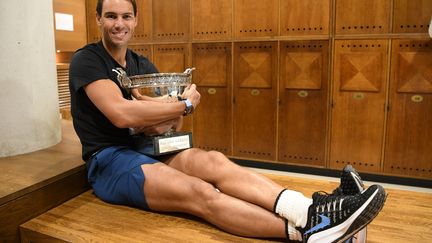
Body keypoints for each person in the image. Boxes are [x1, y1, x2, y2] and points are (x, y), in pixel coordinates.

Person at [69, 0, 386, 242]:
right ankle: (312, 232)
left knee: (214, 162)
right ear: (98, 19)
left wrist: (165, 110)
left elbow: (172, 125)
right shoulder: (88, 60)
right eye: (111, 16)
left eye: (126, 16)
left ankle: (313, 210)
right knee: (200, 192)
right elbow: (122, 114)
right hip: (110, 160)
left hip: (147, 147)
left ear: (135, 20)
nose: (119, 23)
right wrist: (176, 105)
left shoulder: (141, 64)